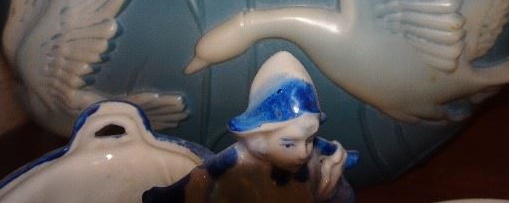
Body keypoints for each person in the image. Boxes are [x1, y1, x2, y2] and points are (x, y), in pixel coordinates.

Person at [143, 52, 357, 202]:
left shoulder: (313, 155)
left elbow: (330, 151)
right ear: (259, 136)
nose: (304, 152)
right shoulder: (236, 162)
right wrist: (166, 196)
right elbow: (200, 180)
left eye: (309, 140)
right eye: (289, 144)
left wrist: (342, 157)